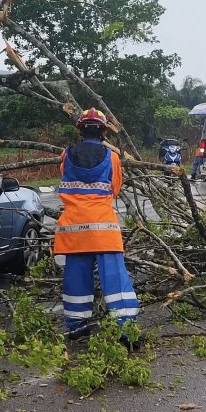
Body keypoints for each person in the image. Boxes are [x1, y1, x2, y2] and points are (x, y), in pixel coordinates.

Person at [54, 108, 140, 340]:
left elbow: (64, 178)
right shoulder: (111, 158)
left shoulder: (66, 155)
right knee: (115, 281)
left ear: (81, 130)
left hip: (73, 231)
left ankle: (77, 328)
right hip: (104, 231)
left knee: (76, 282)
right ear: (103, 131)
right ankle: (126, 332)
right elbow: (115, 188)